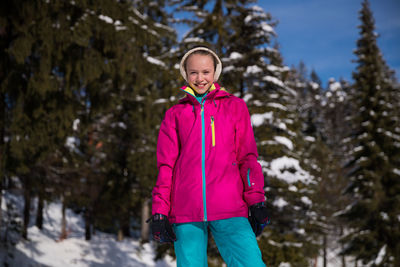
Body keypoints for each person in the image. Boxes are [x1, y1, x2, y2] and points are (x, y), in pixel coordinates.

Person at [147, 46, 270, 267]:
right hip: (186, 210)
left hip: (230, 205)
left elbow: (247, 158)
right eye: (194, 72)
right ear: (186, 74)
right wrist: (159, 211)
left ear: (215, 72)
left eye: (206, 71)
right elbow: (166, 167)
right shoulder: (175, 114)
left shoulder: (235, 106)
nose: (200, 78)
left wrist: (256, 200)